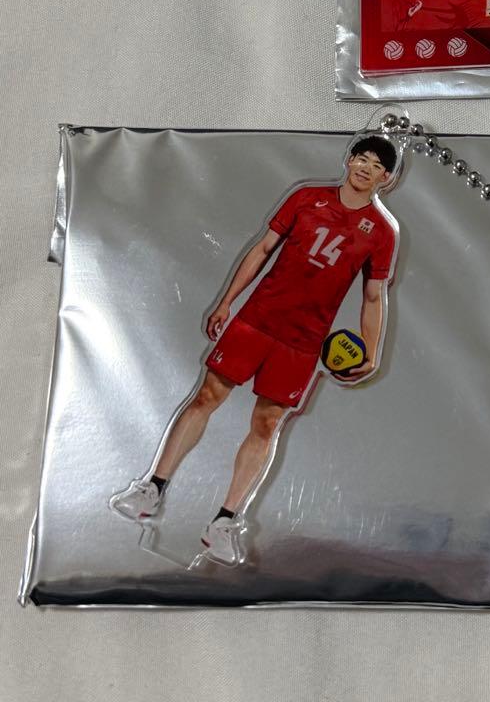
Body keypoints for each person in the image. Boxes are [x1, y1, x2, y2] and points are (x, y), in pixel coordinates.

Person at [110, 135, 399, 566]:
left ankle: (224, 521)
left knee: (266, 424)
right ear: (349, 159)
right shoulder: (306, 198)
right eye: (362, 158)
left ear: (386, 178)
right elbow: (263, 249)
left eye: (376, 165)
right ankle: (152, 488)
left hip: (303, 343)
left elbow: (373, 296)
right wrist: (226, 302)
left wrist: (371, 352)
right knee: (206, 397)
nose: (365, 168)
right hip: (256, 321)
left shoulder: (382, 233)